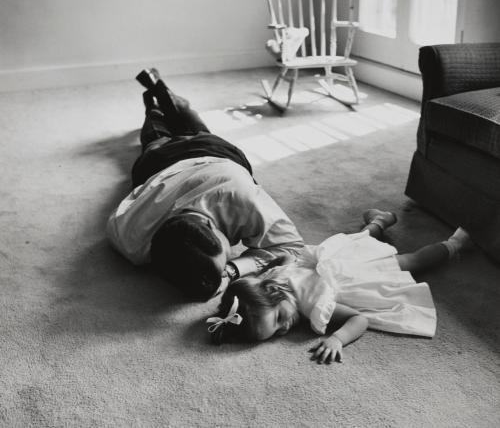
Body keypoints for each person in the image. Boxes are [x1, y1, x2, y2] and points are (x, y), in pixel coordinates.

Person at [106, 68, 304, 301]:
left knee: (175, 132)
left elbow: (293, 246)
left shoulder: (242, 198)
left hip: (208, 154)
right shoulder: (131, 238)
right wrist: (234, 269)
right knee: (162, 130)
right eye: (225, 263)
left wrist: (232, 270)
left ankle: (161, 96)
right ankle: (155, 99)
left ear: (210, 227)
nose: (226, 264)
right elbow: (290, 246)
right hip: (166, 162)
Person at [206, 209, 473, 364]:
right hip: (349, 267)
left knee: (408, 259)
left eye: (278, 318)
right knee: (364, 242)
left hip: (355, 269)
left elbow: (360, 319)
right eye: (277, 332)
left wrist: (337, 337)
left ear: (272, 290)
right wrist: (337, 338)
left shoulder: (311, 304)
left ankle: (451, 243)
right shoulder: (279, 283)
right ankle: (449, 243)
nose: (285, 328)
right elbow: (286, 259)